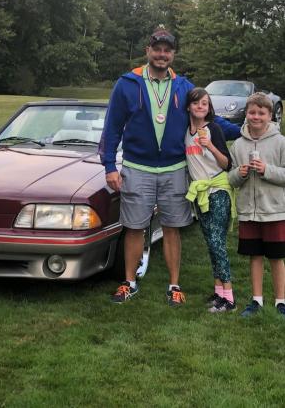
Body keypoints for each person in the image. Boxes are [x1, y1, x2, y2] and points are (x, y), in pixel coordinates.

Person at [99, 28, 241, 304]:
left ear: (173, 54)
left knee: (172, 227)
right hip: (137, 167)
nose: (162, 54)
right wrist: (109, 166)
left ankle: (174, 285)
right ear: (148, 51)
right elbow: (112, 128)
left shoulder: (183, 86)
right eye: (158, 49)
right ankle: (129, 282)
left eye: (167, 50)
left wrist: (246, 129)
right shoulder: (127, 83)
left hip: (174, 168)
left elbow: (208, 117)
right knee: (134, 227)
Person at [228, 92, 285, 317]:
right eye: (252, 112)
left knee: (277, 257)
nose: (256, 117)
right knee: (255, 255)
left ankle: (281, 301)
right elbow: (230, 179)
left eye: (262, 113)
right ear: (246, 114)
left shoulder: (280, 143)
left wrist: (266, 170)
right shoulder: (238, 145)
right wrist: (239, 174)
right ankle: (256, 300)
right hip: (248, 212)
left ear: (270, 115)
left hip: (274, 210)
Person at [184, 88, 236, 313]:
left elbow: (227, 163)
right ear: (189, 107)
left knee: (218, 244)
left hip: (217, 191)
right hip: (201, 194)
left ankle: (230, 298)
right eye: (196, 103)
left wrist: (210, 146)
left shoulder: (213, 129)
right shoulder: (186, 131)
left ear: (209, 107)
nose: (200, 107)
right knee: (211, 244)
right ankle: (218, 293)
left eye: (204, 103)